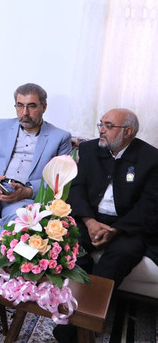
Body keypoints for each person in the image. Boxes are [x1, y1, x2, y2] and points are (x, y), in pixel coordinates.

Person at [53, 108, 158, 343]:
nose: (101, 130)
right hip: (89, 217)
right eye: (101, 124)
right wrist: (89, 221)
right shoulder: (89, 150)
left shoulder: (151, 158)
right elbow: (76, 189)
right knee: (71, 246)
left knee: (121, 255)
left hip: (127, 226)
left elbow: (150, 205)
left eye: (108, 126)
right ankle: (75, 309)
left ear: (128, 132)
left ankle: (80, 323)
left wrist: (116, 230)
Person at [0, 83, 72, 235]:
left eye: (32, 106)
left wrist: (28, 191)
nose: (25, 112)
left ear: (44, 107)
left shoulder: (60, 137)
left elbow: (60, 180)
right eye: (20, 105)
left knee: (21, 218)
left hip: (24, 198)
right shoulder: (0, 126)